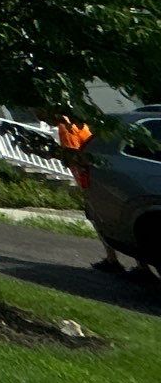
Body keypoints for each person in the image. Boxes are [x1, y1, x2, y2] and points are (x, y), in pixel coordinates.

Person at [57, 116, 126, 275]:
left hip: (88, 180)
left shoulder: (66, 127)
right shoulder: (82, 124)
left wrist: (82, 184)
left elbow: (73, 157)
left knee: (98, 218)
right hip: (101, 177)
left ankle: (112, 259)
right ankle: (139, 264)